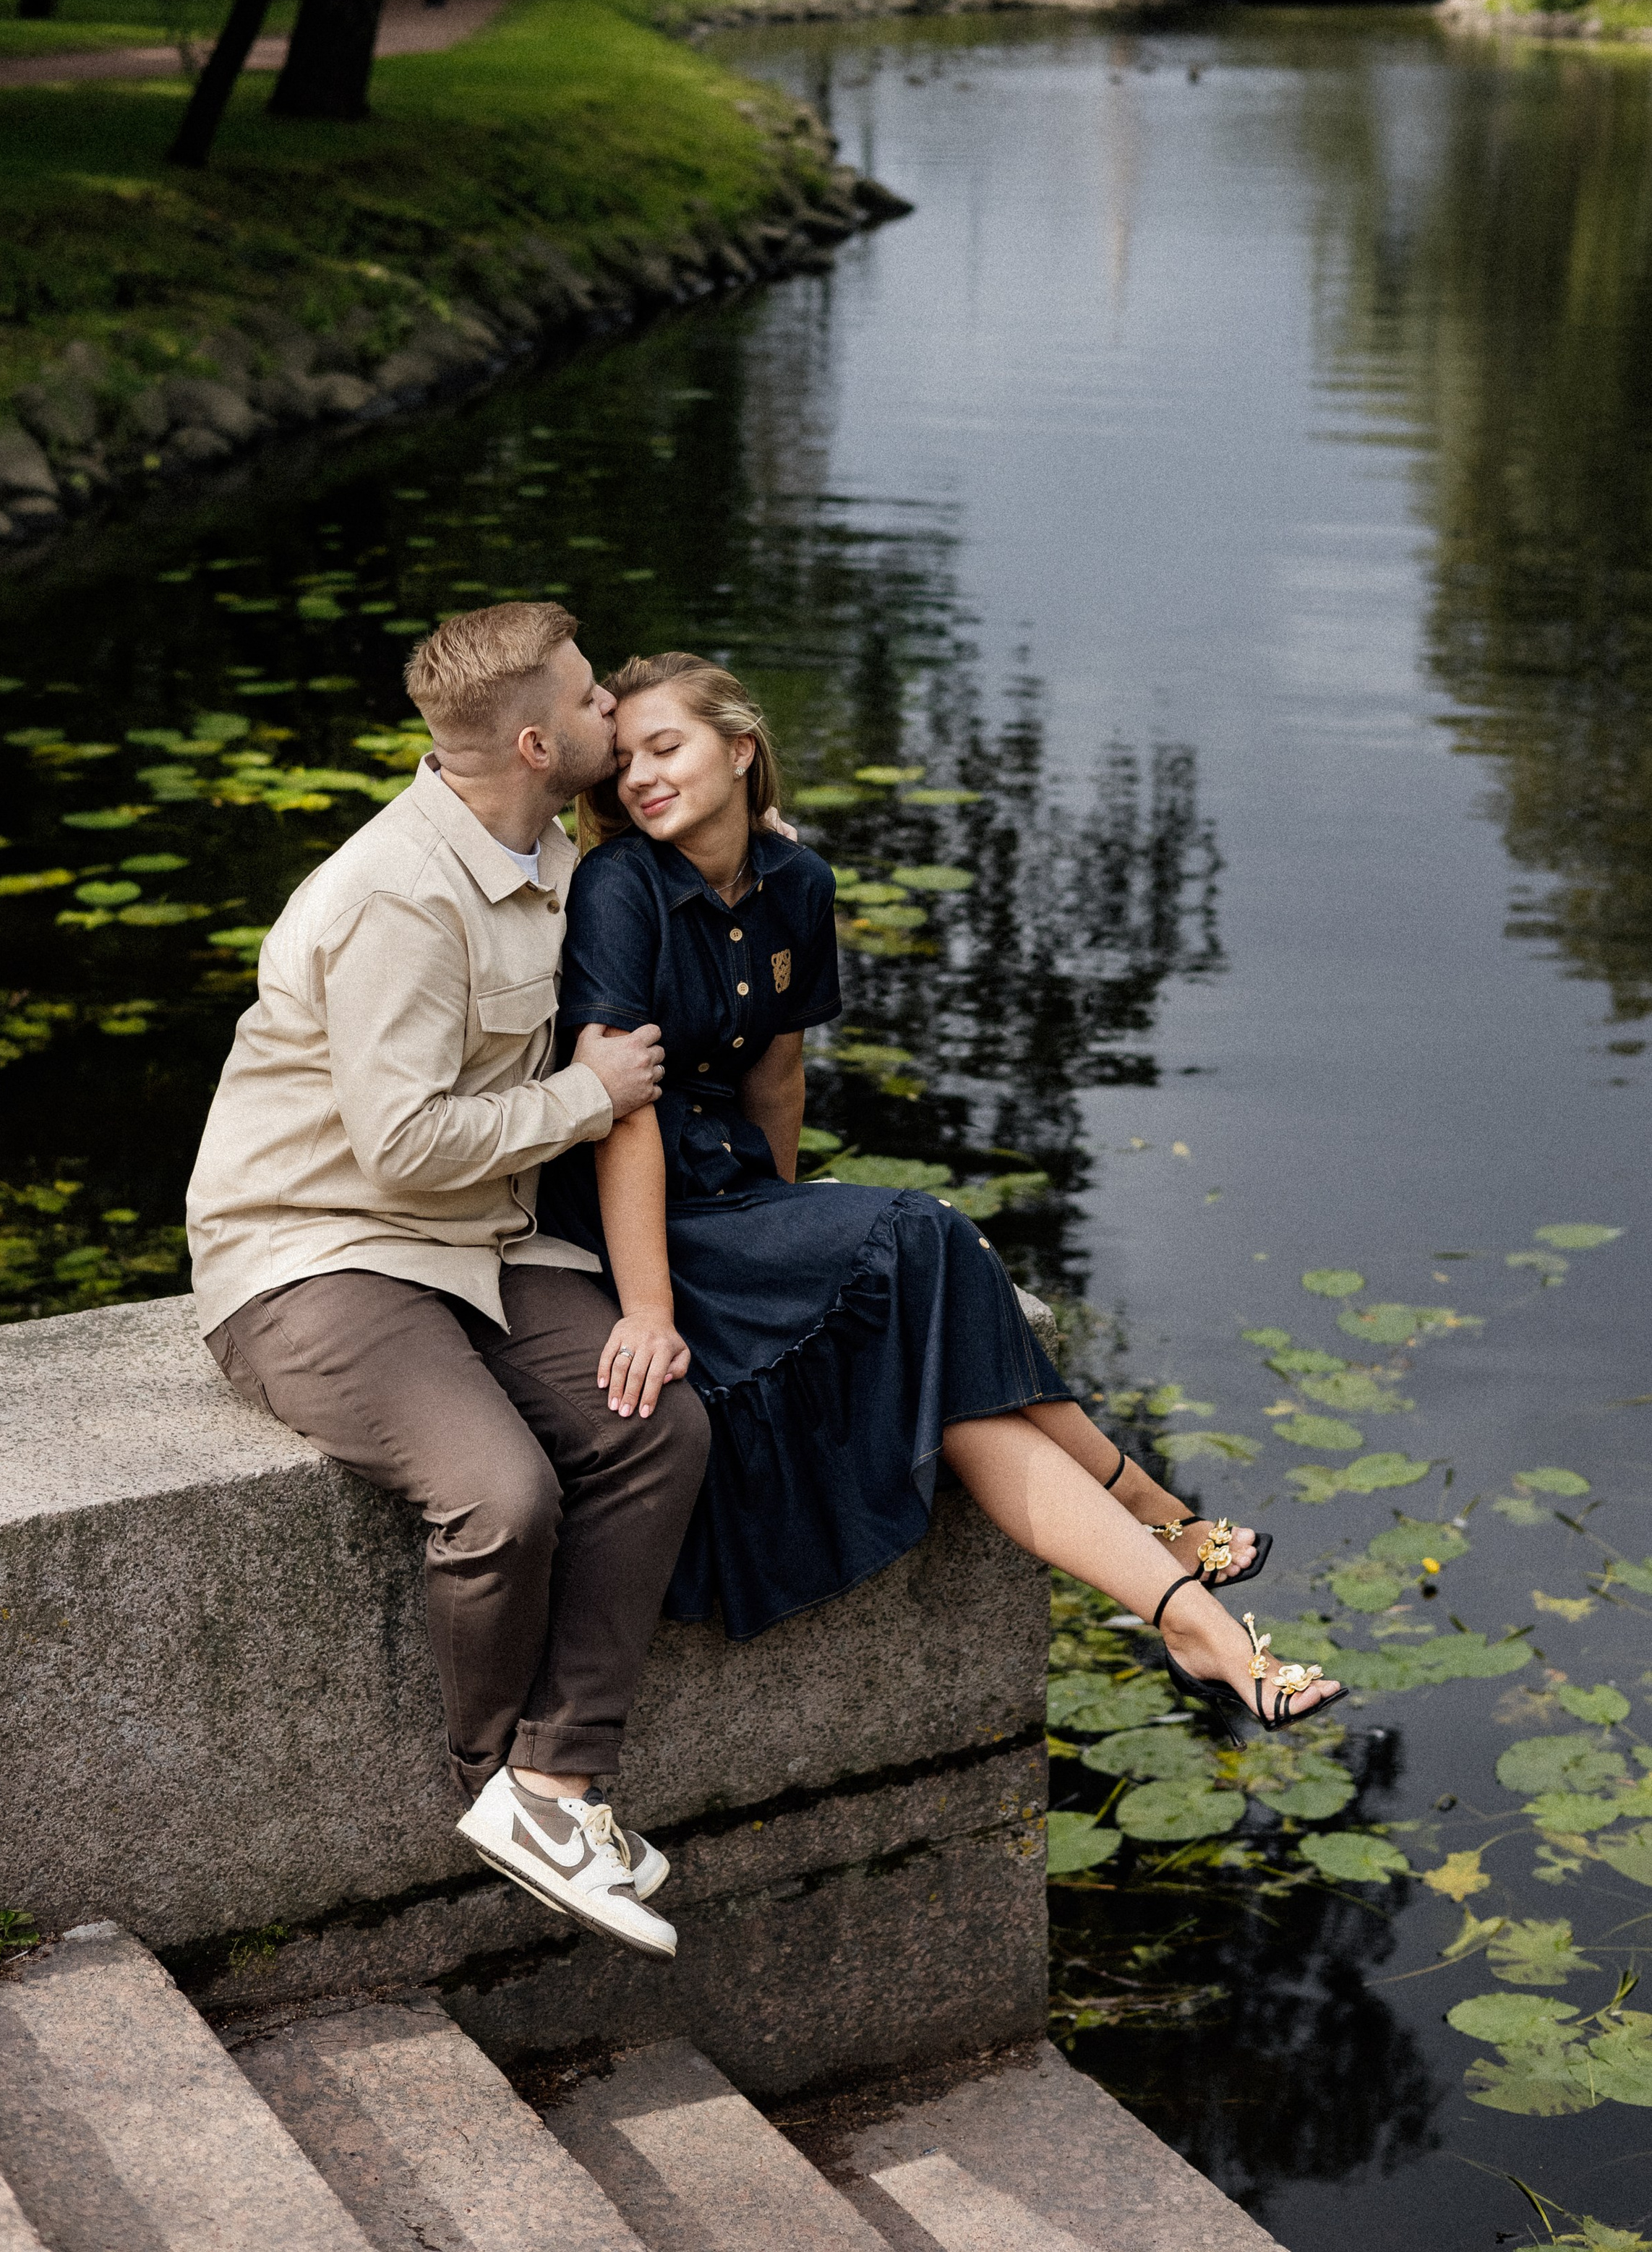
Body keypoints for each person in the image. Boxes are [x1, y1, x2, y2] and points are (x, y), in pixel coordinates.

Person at [537, 653, 1345, 1735]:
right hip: (636, 1215)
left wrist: (793, 1234)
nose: (638, 776)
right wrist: (653, 1307)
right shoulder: (619, 886)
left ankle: (1189, 1617)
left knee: (950, 1376)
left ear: (739, 748)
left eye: (666, 746)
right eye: (623, 759)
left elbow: (777, 1076)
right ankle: (1154, 1511)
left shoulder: (800, 885)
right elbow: (622, 1107)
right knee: (925, 1232)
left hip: (736, 1198)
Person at [186, 604, 713, 1961]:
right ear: (537, 743)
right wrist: (585, 1098)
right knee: (501, 1492)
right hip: (312, 1253)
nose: (619, 717)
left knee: (656, 1423)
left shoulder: (549, 848)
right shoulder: (393, 896)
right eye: (598, 705)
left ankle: (559, 1779)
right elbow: (403, 1145)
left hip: (473, 1244)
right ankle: (493, 1782)